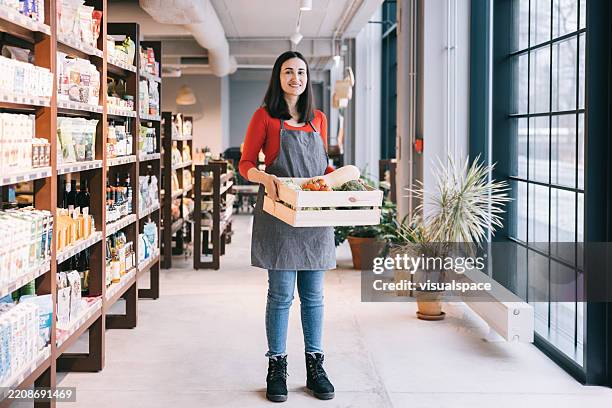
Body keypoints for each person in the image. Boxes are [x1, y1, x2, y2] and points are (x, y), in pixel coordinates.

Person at [239, 51, 336, 403]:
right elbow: (246, 162)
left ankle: (315, 366)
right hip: (279, 216)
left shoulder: (319, 120)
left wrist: (339, 181)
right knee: (281, 296)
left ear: (307, 78)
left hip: (315, 219)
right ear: (278, 78)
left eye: (301, 72)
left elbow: (322, 168)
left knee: (314, 297)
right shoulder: (264, 117)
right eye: (288, 72)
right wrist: (264, 177)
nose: (296, 77)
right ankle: (276, 366)